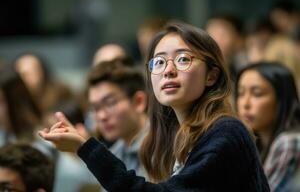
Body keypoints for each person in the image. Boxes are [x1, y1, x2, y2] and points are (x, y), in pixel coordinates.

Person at [39, 21, 270, 191]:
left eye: (183, 59)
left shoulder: (226, 131)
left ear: (211, 75)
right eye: (158, 62)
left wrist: (85, 148)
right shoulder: (173, 137)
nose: (168, 70)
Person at [235, 62, 300, 191]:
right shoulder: (254, 143)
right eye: (240, 93)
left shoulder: (289, 142)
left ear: (282, 100)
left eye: (257, 93)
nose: (245, 104)